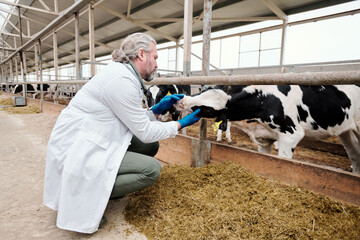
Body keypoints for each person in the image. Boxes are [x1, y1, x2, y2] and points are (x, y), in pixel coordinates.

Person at [43, 32, 201, 234]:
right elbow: (144, 131)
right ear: (142, 54)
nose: (157, 64)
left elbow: (131, 119)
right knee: (151, 170)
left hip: (96, 137)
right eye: (155, 57)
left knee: (150, 146)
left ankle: (107, 187)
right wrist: (179, 125)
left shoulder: (124, 75)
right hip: (79, 147)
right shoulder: (121, 80)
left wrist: (157, 110)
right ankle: (93, 197)